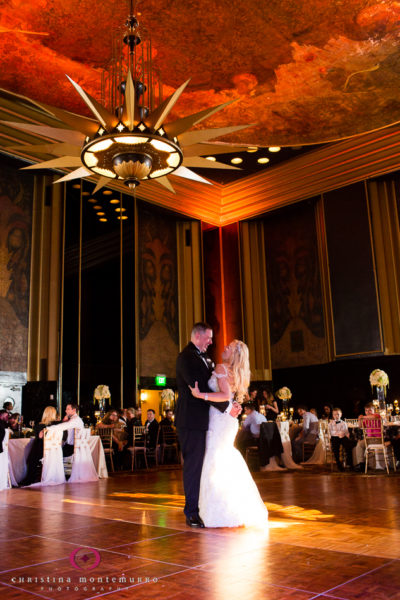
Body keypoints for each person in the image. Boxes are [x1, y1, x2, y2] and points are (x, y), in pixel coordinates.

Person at [189, 339, 269, 528]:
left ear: (234, 354)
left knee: (214, 459)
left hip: (219, 419)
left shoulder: (222, 368)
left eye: (229, 347)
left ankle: (217, 509)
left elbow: (225, 395)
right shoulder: (238, 372)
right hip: (227, 419)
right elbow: (230, 397)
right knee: (223, 457)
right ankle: (232, 505)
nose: (225, 347)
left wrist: (201, 395)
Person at [175, 322, 237, 528]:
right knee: (193, 466)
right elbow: (199, 390)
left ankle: (204, 506)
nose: (211, 342)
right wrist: (227, 409)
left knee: (206, 466)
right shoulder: (186, 357)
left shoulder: (207, 358)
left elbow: (217, 388)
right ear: (198, 336)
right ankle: (191, 512)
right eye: (209, 338)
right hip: (191, 420)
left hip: (206, 421)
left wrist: (229, 403)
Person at [21, 406, 60, 485]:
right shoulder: (57, 426)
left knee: (32, 455)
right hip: (53, 450)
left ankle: (30, 477)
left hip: (41, 450)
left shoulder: (39, 426)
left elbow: (38, 438)